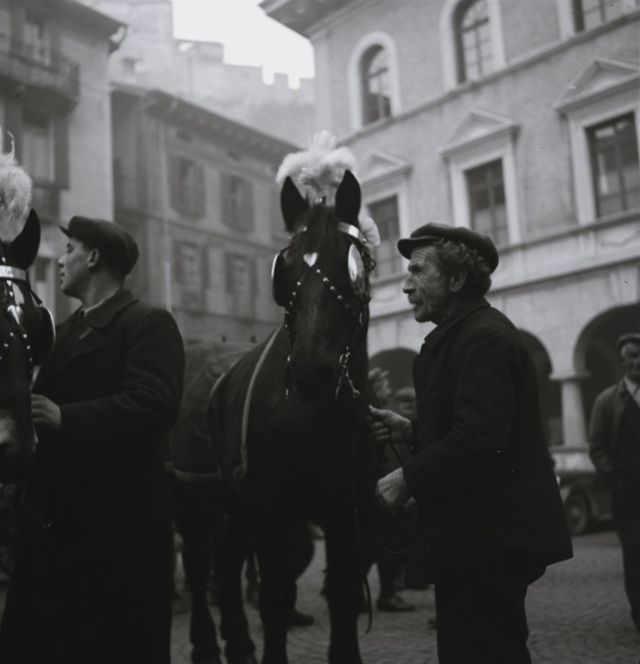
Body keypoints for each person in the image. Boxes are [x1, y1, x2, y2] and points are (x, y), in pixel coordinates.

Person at [369, 223, 572, 664]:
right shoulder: (465, 333)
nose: (405, 285)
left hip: (488, 544)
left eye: (418, 270)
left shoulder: (483, 338)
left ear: (457, 278)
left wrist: (406, 478)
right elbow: (468, 426)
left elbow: (479, 440)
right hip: (471, 541)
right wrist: (411, 429)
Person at [0, 216, 185, 664]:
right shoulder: (61, 333)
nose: (62, 261)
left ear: (94, 258)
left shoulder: (146, 322)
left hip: (117, 535)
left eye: (70, 251)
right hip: (56, 532)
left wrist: (66, 417)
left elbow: (155, 403)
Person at [588, 332, 640, 633]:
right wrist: (614, 476)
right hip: (628, 492)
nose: (638, 362)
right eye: (632, 356)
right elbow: (596, 446)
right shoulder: (607, 401)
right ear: (622, 362)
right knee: (635, 552)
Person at [368, 367, 416, 612]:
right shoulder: (377, 420)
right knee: (389, 543)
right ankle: (387, 594)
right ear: (376, 390)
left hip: (387, 487)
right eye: (385, 387)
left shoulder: (386, 417)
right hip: (385, 491)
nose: (389, 391)